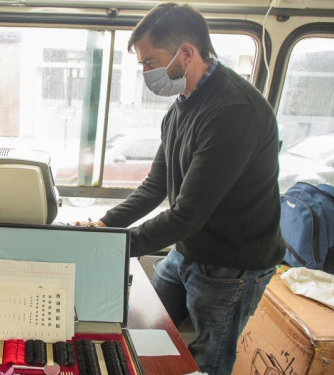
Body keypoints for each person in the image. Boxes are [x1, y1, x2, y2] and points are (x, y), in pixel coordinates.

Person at [82, 4, 284, 374]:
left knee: (207, 361)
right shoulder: (182, 106)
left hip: (232, 265)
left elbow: (187, 214)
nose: (147, 73)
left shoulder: (233, 112)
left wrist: (112, 246)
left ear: (186, 53)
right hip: (188, 250)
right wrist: (102, 227)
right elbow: (153, 188)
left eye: (150, 62)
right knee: (143, 328)